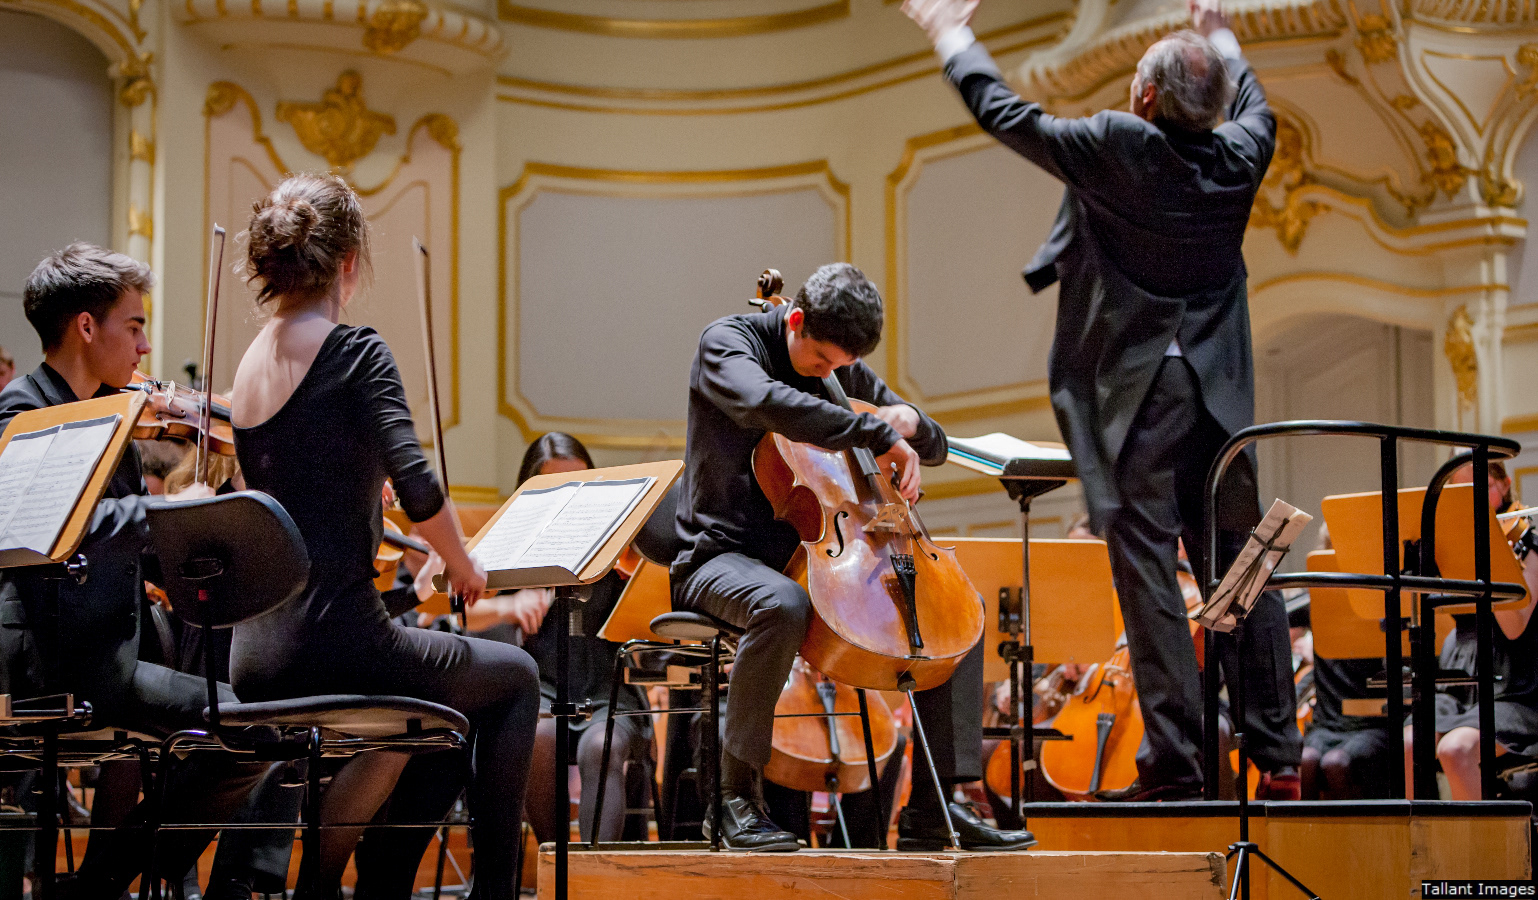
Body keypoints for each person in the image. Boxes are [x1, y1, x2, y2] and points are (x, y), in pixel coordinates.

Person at [903, 0, 1300, 800]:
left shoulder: (1123, 147)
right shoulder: (1242, 152)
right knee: (1242, 565)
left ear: (1145, 96)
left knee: (1148, 570)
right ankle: (1280, 755)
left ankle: (1179, 762)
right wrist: (1221, 33)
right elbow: (1256, 101)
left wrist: (951, 33)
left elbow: (1008, 115)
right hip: (1222, 400)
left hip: (1143, 397)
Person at [227, 173, 539, 899]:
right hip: (342, 643)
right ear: (348, 263)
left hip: (258, 655)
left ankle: (370, 887)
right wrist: (463, 564)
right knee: (517, 679)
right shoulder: (356, 352)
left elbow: (290, 489)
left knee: (450, 709)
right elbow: (420, 483)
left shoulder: (249, 364)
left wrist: (368, 489)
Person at [670, 262, 1034, 852]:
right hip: (719, 557)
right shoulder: (729, 344)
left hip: (818, 559)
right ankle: (733, 801)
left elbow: (930, 443)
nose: (830, 374)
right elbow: (769, 402)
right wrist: (872, 432)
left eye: (841, 365)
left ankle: (936, 808)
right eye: (821, 361)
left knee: (951, 610)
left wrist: (911, 422)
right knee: (782, 603)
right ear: (795, 320)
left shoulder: (840, 367)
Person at [0, 243, 265, 897]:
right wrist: (168, 511)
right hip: (51, 663)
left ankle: (100, 882)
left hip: (110, 654)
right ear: (86, 327)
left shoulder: (110, 412)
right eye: (136, 325)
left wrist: (229, 538)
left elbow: (140, 547)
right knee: (255, 728)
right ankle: (103, 884)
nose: (146, 347)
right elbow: (67, 523)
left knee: (261, 724)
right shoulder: (22, 414)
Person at [471, 433, 652, 844]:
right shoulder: (513, 543)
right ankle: (557, 867)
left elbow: (655, 615)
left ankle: (593, 873)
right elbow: (459, 612)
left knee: (600, 746)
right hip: (541, 692)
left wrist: (636, 575)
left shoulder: (619, 545)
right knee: (538, 739)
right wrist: (509, 605)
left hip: (610, 692)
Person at [1404, 461, 1538, 799]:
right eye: (1463, 492)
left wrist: (1492, 561)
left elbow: (1515, 627)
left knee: (1455, 749)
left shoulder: (1528, 545)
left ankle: (1479, 835)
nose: (1474, 500)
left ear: (1505, 485)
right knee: (1409, 743)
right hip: (1461, 679)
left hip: (1514, 687)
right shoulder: (1452, 544)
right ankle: (1425, 831)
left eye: (1483, 488)